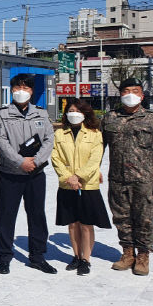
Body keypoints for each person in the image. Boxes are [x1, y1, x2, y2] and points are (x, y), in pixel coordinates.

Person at [101, 77, 153, 276]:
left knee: (144, 219)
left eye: (135, 91)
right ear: (120, 94)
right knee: (121, 217)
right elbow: (98, 146)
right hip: (117, 178)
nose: (130, 95)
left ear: (142, 96)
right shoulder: (110, 118)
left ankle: (143, 255)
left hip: (143, 179)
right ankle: (127, 253)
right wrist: (94, 169)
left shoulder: (151, 118)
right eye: (126, 91)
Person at [0, 73, 56, 275]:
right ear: (11, 90)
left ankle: (37, 256)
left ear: (32, 91)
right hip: (11, 173)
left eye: (26, 88)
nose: (22, 92)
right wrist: (20, 162)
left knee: (37, 215)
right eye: (18, 88)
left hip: (35, 174)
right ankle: (4, 257)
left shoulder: (41, 113)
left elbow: (49, 139)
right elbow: (1, 142)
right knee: (6, 215)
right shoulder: (2, 114)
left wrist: (35, 162)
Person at [51, 98, 111, 275]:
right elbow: (55, 158)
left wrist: (79, 176)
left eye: (77, 111)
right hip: (67, 185)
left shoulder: (94, 134)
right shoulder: (60, 134)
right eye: (70, 110)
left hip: (87, 185)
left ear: (85, 113)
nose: (73, 114)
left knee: (86, 224)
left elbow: (95, 160)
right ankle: (76, 256)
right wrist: (68, 177)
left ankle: (86, 259)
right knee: (72, 223)